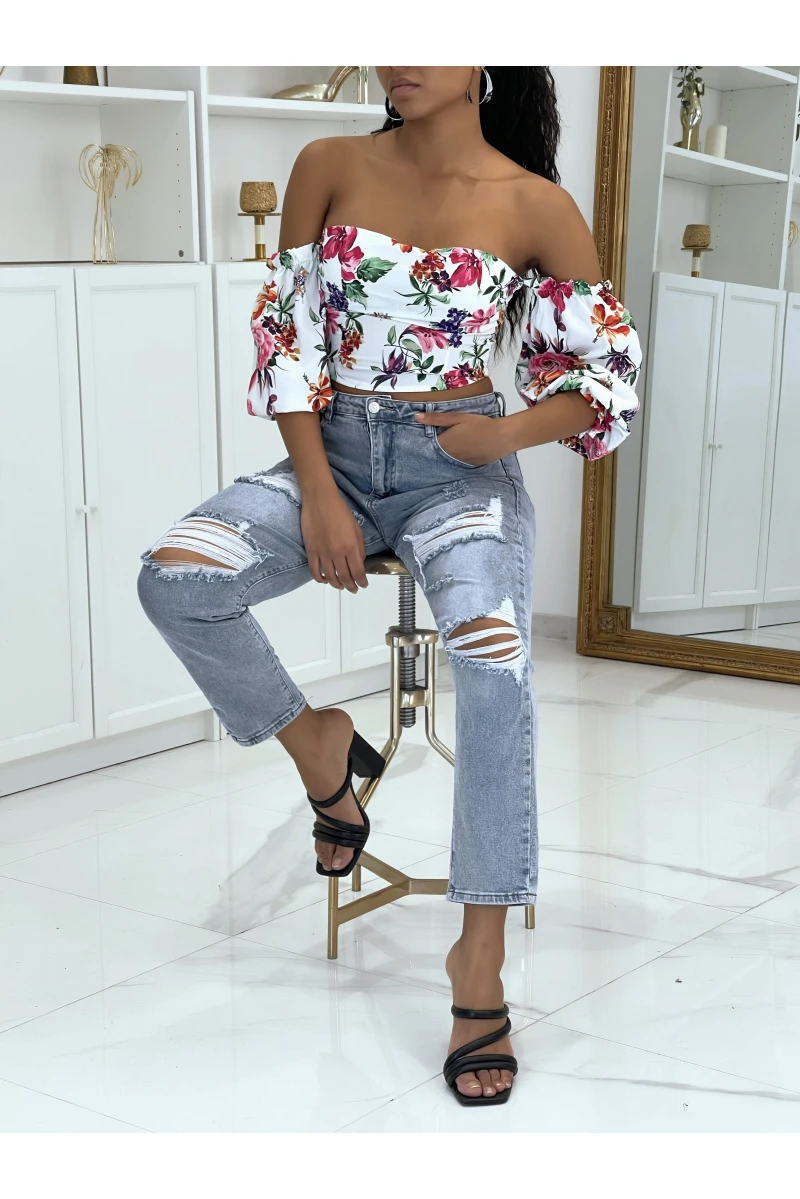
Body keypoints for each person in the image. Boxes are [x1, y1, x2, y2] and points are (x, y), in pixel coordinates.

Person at [137, 66, 642, 1106]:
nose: (399, 52)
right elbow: (287, 343)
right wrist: (321, 496)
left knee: (494, 667)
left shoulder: (535, 204)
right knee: (176, 577)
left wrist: (502, 432)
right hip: (328, 458)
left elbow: (603, 378)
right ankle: (318, 747)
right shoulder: (326, 164)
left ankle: (478, 957)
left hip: (458, 469)